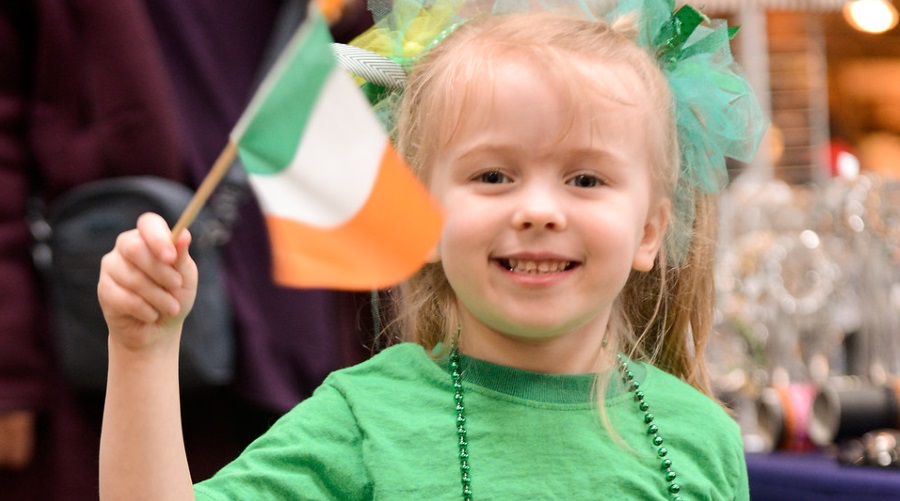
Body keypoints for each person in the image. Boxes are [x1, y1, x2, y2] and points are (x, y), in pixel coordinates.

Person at [97, 0, 766, 498]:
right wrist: (142, 350)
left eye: (585, 178)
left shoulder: (701, 440)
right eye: (493, 175)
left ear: (649, 230)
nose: (536, 209)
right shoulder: (363, 419)